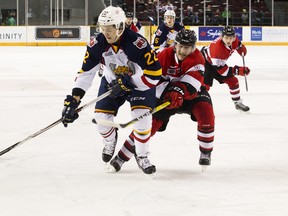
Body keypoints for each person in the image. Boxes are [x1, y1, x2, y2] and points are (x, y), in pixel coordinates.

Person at [61, 6, 162, 175]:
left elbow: (154, 74)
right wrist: (75, 98)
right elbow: (86, 73)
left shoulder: (136, 43)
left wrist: (130, 82)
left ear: (120, 27)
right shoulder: (97, 44)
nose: (105, 33)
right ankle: (110, 139)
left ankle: (142, 155)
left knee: (142, 119)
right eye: (103, 29)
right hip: (111, 82)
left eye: (109, 29)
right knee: (101, 120)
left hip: (140, 86)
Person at [107, 29, 215, 173]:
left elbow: (193, 83)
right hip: (165, 96)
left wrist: (179, 91)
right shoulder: (163, 55)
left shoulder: (198, 58)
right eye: (180, 46)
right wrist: (165, 92)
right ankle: (121, 157)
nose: (183, 50)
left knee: (205, 110)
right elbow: (152, 79)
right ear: (175, 45)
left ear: (193, 48)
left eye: (187, 47)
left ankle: (206, 151)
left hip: (190, 96)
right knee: (147, 125)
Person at [201, 26, 250, 112]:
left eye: (230, 38)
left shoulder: (234, 40)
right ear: (221, 37)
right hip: (205, 62)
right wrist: (238, 70)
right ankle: (200, 106)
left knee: (233, 81)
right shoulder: (217, 50)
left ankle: (238, 103)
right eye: (226, 38)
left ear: (234, 37)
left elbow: (238, 45)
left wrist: (241, 49)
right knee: (205, 86)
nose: (228, 40)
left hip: (217, 63)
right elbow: (223, 71)